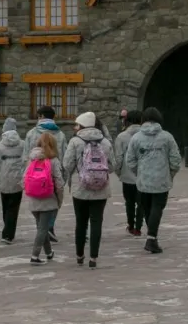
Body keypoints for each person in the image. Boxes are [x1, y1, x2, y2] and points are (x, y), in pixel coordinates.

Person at [63, 111, 115, 268]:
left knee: (81, 222)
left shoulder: (75, 141)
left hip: (80, 188)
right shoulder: (105, 142)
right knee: (97, 221)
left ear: (83, 125)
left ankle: (80, 255)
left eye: (77, 124)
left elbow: (67, 164)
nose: (75, 127)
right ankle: (94, 258)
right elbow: (112, 166)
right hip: (101, 189)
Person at [126, 107, 182, 254]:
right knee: (157, 208)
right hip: (162, 180)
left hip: (143, 181)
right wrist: (170, 174)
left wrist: (139, 172)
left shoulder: (136, 138)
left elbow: (130, 160)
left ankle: (151, 237)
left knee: (147, 209)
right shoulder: (167, 137)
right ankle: (151, 238)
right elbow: (175, 160)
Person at [23, 106, 67, 243]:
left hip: (36, 173)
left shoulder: (31, 133)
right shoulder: (60, 134)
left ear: (41, 116)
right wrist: (64, 175)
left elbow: (26, 156)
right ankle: (49, 227)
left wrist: (26, 175)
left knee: (37, 200)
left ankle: (41, 229)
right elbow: (65, 156)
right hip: (55, 171)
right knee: (53, 202)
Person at [24, 132, 64, 264]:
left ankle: (48, 252)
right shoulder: (53, 160)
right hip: (48, 199)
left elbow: (24, 178)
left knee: (42, 227)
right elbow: (59, 182)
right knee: (42, 229)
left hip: (33, 199)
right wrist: (59, 199)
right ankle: (34, 256)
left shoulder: (32, 159)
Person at [114, 109, 145, 236]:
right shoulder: (145, 135)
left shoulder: (121, 137)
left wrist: (119, 173)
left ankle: (131, 225)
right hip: (143, 175)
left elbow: (118, 158)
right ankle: (139, 226)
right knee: (141, 203)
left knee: (130, 202)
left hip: (127, 175)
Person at [0, 117, 25, 244]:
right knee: (14, 207)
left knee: (5, 206)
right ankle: (8, 233)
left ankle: (7, 230)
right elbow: (25, 161)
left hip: (3, 179)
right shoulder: (23, 144)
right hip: (18, 180)